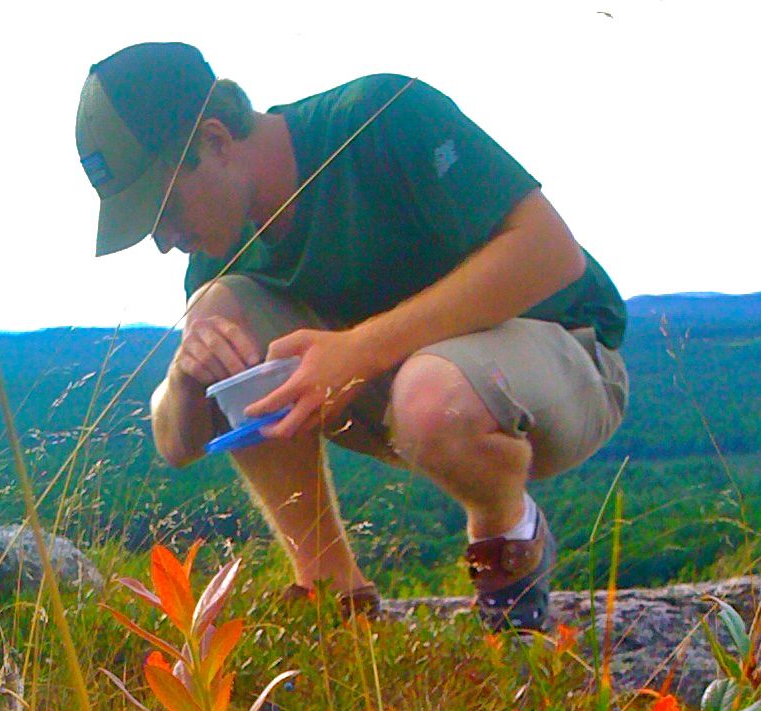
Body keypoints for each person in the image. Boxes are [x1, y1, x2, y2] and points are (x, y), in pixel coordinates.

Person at [76, 42, 628, 630]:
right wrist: (186, 379)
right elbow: (177, 446)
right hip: (407, 393)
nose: (163, 241)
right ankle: (334, 601)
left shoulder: (379, 117)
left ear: (214, 141)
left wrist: (361, 350)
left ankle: (508, 547)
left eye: (163, 210)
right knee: (217, 312)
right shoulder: (223, 244)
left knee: (428, 396)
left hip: (569, 357)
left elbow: (552, 253)